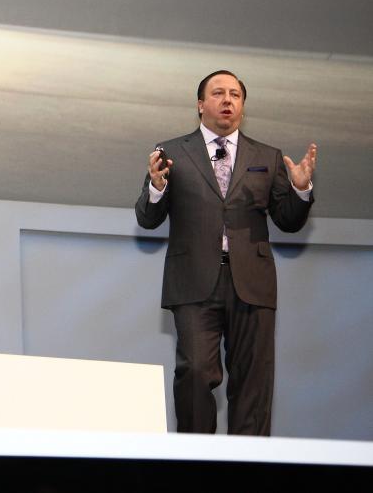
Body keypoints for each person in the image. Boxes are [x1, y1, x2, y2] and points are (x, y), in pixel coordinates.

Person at [135, 70, 316, 435]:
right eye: (218, 93)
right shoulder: (171, 153)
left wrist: (300, 190)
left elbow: (288, 221)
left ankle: (249, 470)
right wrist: (156, 188)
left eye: (235, 94)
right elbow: (147, 218)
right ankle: (197, 464)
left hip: (252, 283)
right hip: (194, 282)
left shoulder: (267, 156)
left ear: (243, 106)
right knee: (196, 373)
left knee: (253, 382)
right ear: (201, 105)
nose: (227, 100)